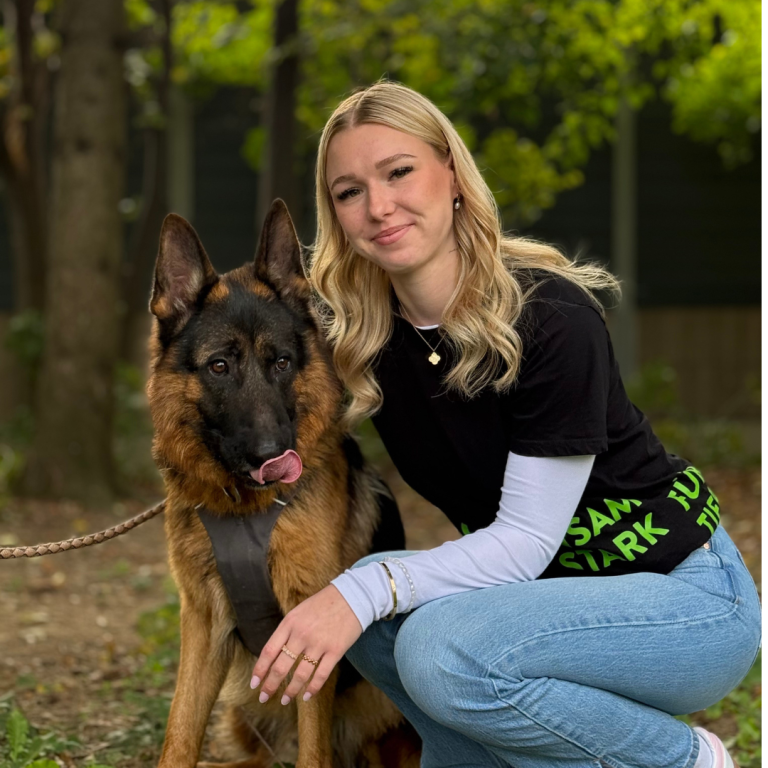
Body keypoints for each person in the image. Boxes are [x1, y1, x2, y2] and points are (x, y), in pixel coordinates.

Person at [249, 81, 761, 768]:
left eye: (399, 172)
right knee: (376, 622)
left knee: (424, 637)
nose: (378, 206)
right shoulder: (363, 343)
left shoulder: (550, 315)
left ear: (452, 174)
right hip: (538, 609)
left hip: (684, 602)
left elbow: (524, 542)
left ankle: (684, 759)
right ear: (335, 215)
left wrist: (364, 590)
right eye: (349, 191)